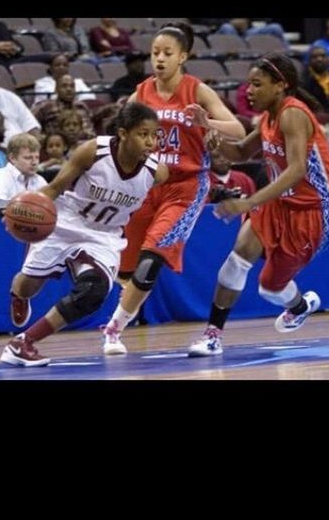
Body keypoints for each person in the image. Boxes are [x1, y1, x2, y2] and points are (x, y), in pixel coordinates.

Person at [184, 53, 329, 355]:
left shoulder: (293, 114)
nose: (249, 91)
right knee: (237, 259)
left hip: (313, 214)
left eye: (257, 84)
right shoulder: (270, 116)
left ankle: (299, 306)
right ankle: (212, 336)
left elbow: (296, 170)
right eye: (248, 84)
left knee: (269, 289)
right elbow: (242, 152)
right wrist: (209, 129)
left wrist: (249, 203)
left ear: (280, 85)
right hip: (278, 205)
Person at [100, 21, 246, 356]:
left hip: (186, 186)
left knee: (153, 257)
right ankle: (122, 314)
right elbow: (121, 134)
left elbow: (237, 129)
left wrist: (206, 123)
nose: (159, 59)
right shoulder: (142, 92)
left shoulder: (197, 90)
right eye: (155, 53)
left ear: (183, 56)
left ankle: (113, 328)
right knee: (127, 266)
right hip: (146, 184)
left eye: (167, 53)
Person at [0, 101, 168, 367]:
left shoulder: (157, 172)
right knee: (27, 285)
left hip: (104, 235)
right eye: (142, 134)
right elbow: (55, 188)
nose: (150, 142)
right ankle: (18, 294)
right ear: (123, 134)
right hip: (66, 222)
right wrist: (16, 210)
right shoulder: (93, 151)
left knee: (94, 291)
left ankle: (23, 342)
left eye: (154, 135)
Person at [32, 74, 96, 140]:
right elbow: (30, 124)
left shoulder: (82, 106)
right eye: (64, 86)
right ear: (56, 89)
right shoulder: (46, 106)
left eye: (72, 86)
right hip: (57, 146)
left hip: (87, 143)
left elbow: (91, 128)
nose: (69, 89)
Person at [0, 133, 46, 200]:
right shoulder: (0, 179)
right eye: (28, 158)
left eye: (37, 157)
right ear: (13, 158)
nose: (34, 162)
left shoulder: (39, 180)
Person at [302, 46, 329, 115]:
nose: (319, 59)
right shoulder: (304, 80)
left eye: (323, 56)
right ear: (309, 60)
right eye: (315, 57)